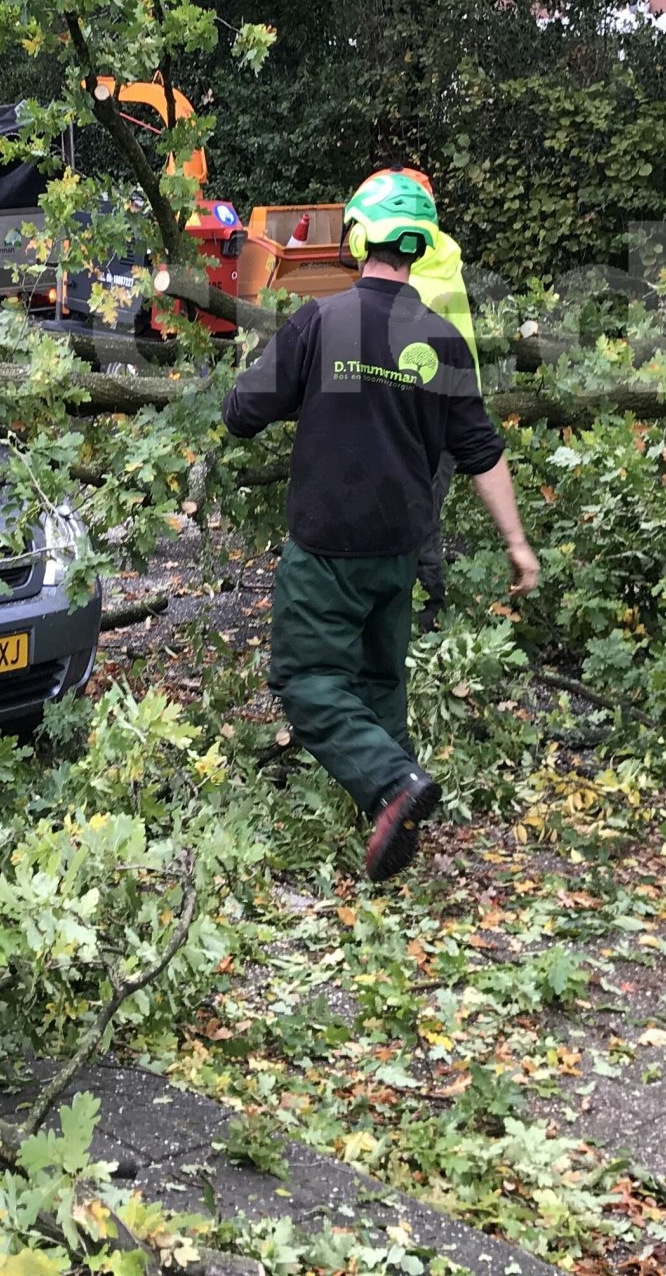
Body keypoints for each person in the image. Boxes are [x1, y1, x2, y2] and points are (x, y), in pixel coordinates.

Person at [225, 170, 540, 881]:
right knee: (377, 683)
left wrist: (276, 375)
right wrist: (518, 544)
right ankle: (393, 814)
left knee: (305, 680)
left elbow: (241, 413)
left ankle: (392, 786)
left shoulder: (320, 322)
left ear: (358, 236)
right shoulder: (442, 339)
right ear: (420, 245)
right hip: (399, 549)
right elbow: (481, 450)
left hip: (327, 548)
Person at [350, 168, 477, 630]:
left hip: (435, 419)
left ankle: (427, 615)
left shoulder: (421, 283)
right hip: (426, 412)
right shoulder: (433, 260)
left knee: (416, 515)